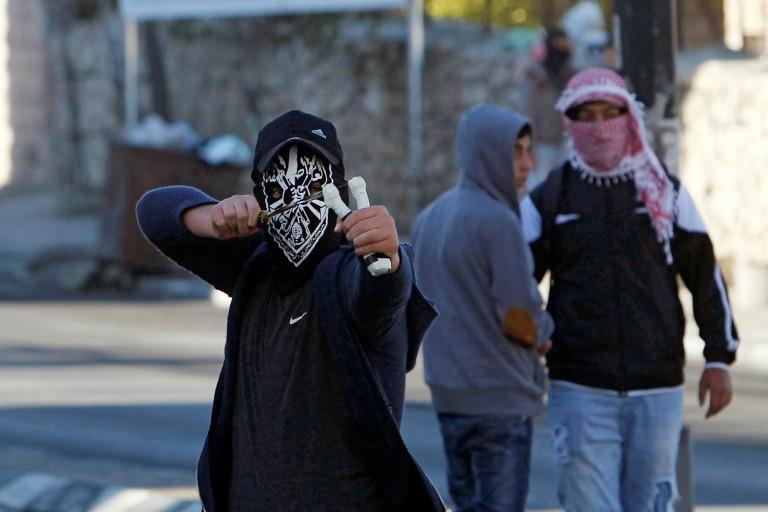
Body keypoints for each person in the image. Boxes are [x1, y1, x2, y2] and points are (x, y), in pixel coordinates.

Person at [136, 110, 445, 511]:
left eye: (313, 182)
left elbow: (381, 294)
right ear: (261, 197)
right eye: (279, 186)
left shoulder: (350, 273)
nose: (297, 199)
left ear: (339, 188)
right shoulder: (256, 269)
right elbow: (154, 211)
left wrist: (386, 256)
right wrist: (212, 218)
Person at [520, 68, 739, 511]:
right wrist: (533, 333)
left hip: (657, 390)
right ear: (570, 122)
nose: (599, 126)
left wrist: (719, 356)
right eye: (587, 115)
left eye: (609, 113)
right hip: (579, 388)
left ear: (628, 117)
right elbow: (514, 279)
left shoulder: (667, 194)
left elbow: (704, 276)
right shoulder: (551, 197)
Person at [412, 105, 554, 512]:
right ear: (486, 154)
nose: (529, 163)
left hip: (449, 394)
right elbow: (519, 318)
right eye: (516, 151)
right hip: (499, 400)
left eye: (528, 150)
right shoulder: (499, 222)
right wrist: (545, 333)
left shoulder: (429, 218)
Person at [518, 28, 574, 192]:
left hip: (566, 144)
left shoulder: (568, 75)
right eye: (559, 45)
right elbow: (527, 112)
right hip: (542, 146)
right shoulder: (535, 76)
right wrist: (529, 149)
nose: (564, 50)